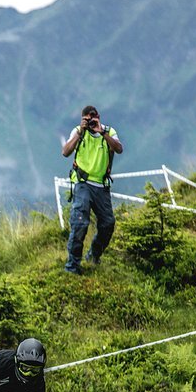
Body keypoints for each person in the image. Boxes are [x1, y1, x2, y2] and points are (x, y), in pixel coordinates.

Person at [61, 105, 123, 274]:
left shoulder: (109, 132)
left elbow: (118, 149)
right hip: (83, 183)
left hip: (102, 186)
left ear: (99, 117)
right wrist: (81, 132)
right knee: (80, 221)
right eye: (87, 119)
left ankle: (93, 257)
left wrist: (101, 131)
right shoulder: (78, 132)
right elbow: (65, 152)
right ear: (83, 119)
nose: (91, 121)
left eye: (93, 118)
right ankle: (72, 265)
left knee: (108, 224)